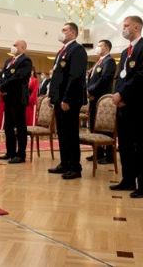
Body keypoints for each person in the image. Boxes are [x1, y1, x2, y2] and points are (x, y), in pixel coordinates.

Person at [109, 16, 143, 198]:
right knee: (125, 145)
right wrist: (117, 93)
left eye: (127, 25)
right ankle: (128, 179)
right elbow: (120, 76)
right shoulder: (125, 52)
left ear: (137, 27)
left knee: (140, 146)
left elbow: (141, 76)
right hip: (123, 105)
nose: (124, 28)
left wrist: (122, 94)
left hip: (137, 104)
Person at [48, 23, 87, 180]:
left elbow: (75, 76)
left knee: (71, 133)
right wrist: (52, 96)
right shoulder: (62, 51)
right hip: (59, 98)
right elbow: (56, 76)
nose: (61, 32)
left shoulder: (77, 50)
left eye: (64, 30)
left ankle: (75, 167)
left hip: (69, 99)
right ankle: (64, 163)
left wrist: (67, 98)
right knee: (62, 133)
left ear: (72, 33)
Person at [0, 40, 33, 164]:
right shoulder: (9, 61)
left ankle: (21, 154)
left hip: (18, 98)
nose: (13, 47)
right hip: (8, 98)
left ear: (22, 47)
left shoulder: (26, 61)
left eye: (15, 45)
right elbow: (2, 75)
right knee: (8, 126)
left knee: (20, 127)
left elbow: (18, 77)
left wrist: (3, 86)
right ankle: (10, 152)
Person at [86, 39, 116, 164]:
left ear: (107, 47)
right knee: (94, 125)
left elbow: (104, 79)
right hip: (94, 99)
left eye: (100, 45)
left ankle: (109, 155)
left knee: (106, 127)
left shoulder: (109, 61)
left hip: (102, 99)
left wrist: (90, 91)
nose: (97, 47)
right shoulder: (99, 61)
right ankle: (98, 152)